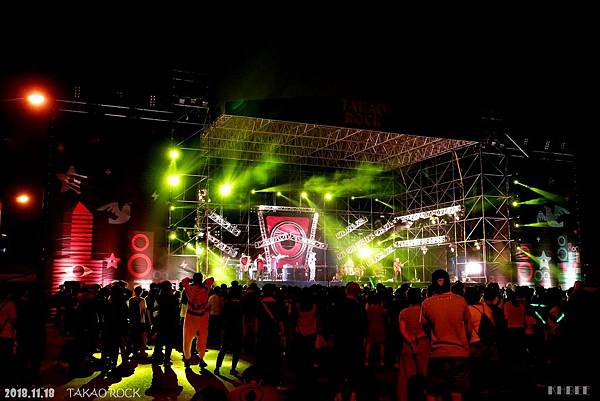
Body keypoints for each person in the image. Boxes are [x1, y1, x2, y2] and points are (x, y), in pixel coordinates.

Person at [420, 269, 472, 401]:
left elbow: (425, 327)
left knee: (432, 392)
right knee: (456, 392)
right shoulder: (461, 301)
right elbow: (469, 328)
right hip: (459, 353)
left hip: (437, 353)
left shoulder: (427, 303)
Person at [398, 287, 429, 401]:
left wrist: (411, 341)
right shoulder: (425, 312)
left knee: (407, 375)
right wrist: (418, 337)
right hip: (424, 345)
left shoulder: (403, 312)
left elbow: (403, 330)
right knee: (425, 374)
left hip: (408, 346)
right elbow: (428, 330)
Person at [181, 272, 215, 370]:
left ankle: (187, 359)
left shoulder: (188, 288)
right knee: (202, 339)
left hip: (191, 317)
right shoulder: (206, 288)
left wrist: (190, 281)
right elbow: (211, 279)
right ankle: (201, 358)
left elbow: (184, 281)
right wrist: (203, 282)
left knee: (187, 339)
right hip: (203, 318)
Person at [215, 286, 243, 376]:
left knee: (223, 349)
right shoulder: (241, 304)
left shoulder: (226, 304)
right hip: (237, 329)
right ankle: (233, 369)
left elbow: (222, 316)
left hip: (227, 328)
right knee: (236, 350)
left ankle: (217, 368)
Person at [153, 281, 180, 366]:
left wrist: (155, 323)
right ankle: (167, 360)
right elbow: (177, 312)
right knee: (169, 343)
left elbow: (155, 312)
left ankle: (157, 359)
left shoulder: (158, 298)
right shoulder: (174, 298)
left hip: (161, 322)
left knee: (159, 342)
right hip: (171, 323)